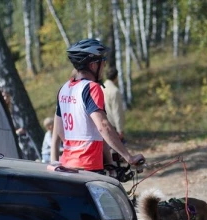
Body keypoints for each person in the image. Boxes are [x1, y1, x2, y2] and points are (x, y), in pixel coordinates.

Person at [51, 38, 144, 171]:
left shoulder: (64, 89)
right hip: (89, 166)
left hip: (68, 164)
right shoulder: (92, 88)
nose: (104, 66)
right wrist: (129, 157)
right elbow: (103, 127)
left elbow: (59, 131)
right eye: (103, 62)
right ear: (94, 65)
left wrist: (109, 161)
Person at [103, 67, 125, 141]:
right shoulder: (115, 91)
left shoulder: (100, 88)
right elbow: (116, 111)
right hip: (112, 126)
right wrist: (120, 129)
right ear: (116, 77)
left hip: (101, 123)